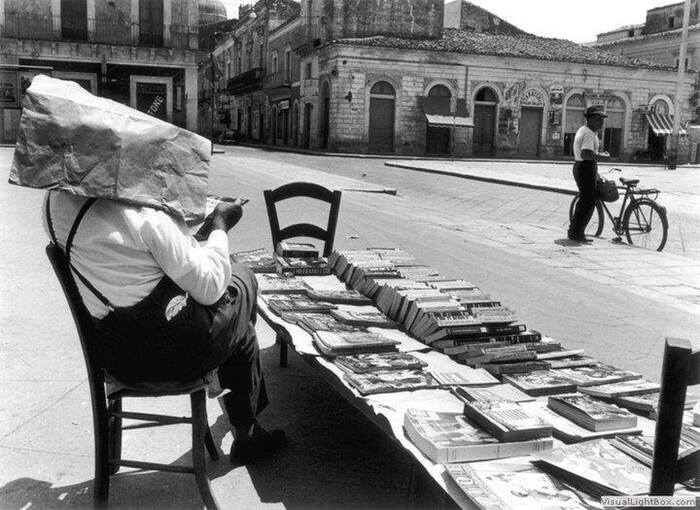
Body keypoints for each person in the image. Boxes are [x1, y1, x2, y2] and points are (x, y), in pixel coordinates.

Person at [43, 190, 285, 464]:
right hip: (173, 358)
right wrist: (220, 225)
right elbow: (210, 289)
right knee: (242, 282)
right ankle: (247, 432)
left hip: (117, 356)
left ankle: (238, 403)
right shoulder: (146, 218)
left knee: (236, 319)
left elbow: (131, 262)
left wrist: (183, 235)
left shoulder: (55, 205)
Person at [568, 104, 609, 242]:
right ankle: (576, 233)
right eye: (599, 119)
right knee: (588, 201)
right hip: (585, 167)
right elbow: (586, 154)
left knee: (585, 200)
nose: (601, 122)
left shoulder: (584, 130)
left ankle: (575, 231)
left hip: (581, 167)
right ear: (590, 119)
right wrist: (602, 157)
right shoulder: (589, 133)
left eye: (602, 120)